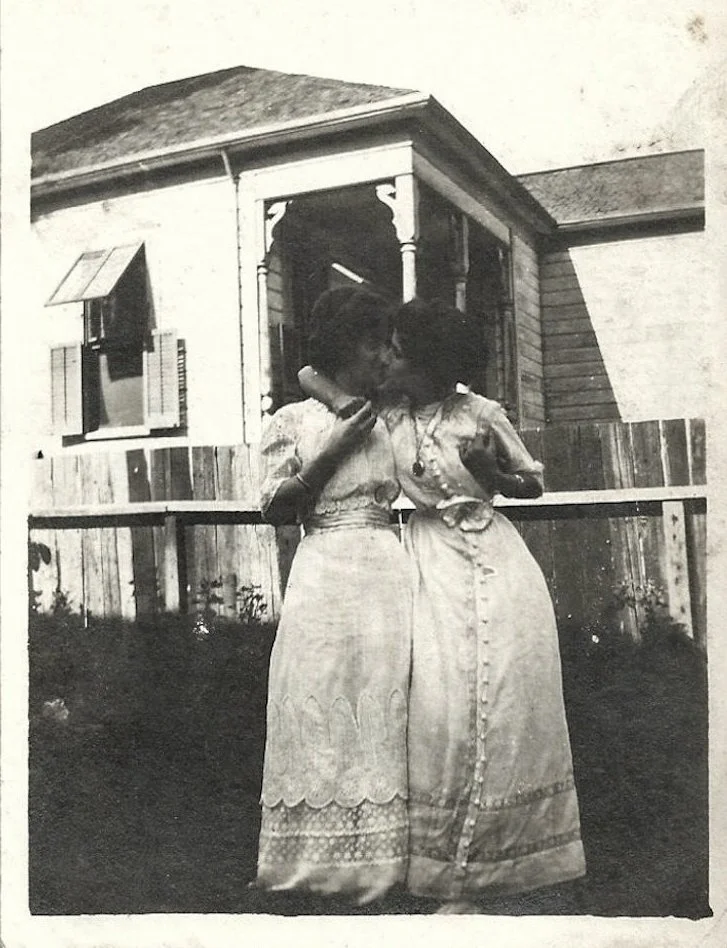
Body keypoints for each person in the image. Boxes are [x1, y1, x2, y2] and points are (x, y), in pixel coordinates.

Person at [299, 297, 586, 912]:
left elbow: (533, 483)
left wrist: (492, 473)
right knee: (441, 705)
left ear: (431, 364)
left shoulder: (481, 414)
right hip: (428, 565)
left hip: (495, 562)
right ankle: (443, 863)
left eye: (398, 353)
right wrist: (341, 397)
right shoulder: (386, 415)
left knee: (501, 698)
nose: (386, 359)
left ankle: (508, 857)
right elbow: (308, 375)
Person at [255, 286, 412, 906]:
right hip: (323, 570)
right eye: (376, 344)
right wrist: (332, 450)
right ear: (347, 345)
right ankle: (314, 861)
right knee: (322, 693)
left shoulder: (390, 418)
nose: (386, 357)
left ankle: (390, 855)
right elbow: (276, 508)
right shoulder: (292, 422)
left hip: (386, 572)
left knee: (385, 694)